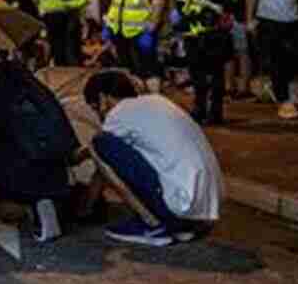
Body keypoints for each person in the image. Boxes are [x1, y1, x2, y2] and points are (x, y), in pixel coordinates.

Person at [0, 40, 91, 243]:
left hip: (13, 171)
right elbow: (51, 108)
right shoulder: (19, 73)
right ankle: (48, 201)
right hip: (53, 162)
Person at [84, 72, 223, 247]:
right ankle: (183, 226)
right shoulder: (157, 101)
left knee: (99, 144)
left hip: (179, 205)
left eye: (95, 107)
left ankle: (152, 225)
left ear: (103, 98)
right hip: (203, 209)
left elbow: (101, 164)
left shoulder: (119, 113)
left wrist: (86, 206)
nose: (99, 113)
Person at [176, 0, 243, 125]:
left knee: (215, 74)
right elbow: (182, 0)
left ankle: (215, 112)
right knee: (196, 75)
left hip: (212, 30)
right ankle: (199, 109)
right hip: (192, 30)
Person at [102, 0, 168, 93]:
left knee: (149, 71)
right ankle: (135, 103)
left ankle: (154, 103)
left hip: (142, 35)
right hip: (121, 34)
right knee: (127, 71)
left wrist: (149, 32)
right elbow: (115, 6)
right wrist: (108, 27)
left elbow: (157, 9)